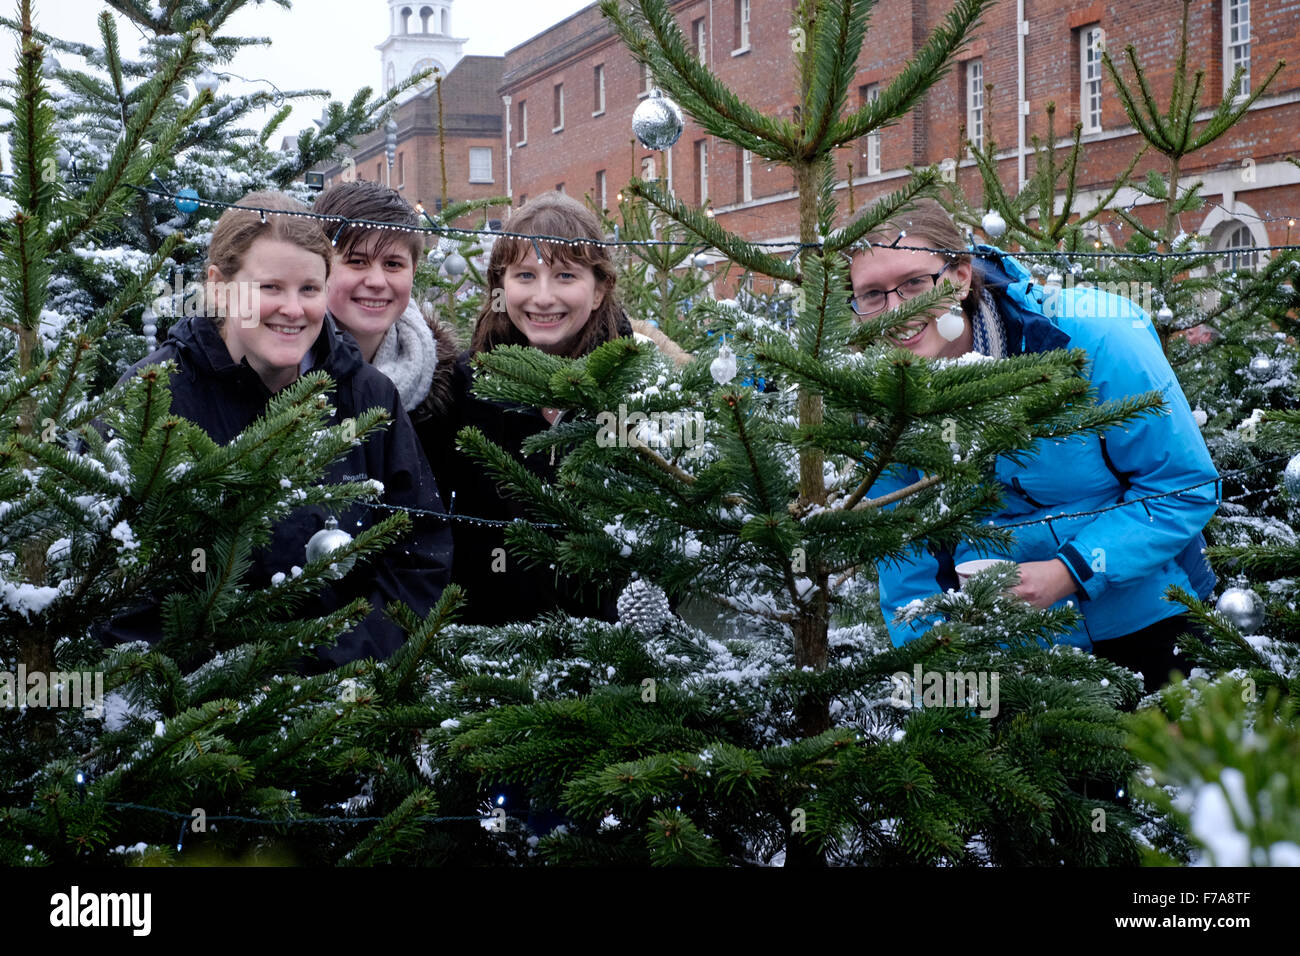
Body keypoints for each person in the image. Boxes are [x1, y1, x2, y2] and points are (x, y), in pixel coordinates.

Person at [853, 199, 1218, 688]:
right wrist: (945, 682)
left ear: (960, 275)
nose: (899, 311)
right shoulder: (884, 405)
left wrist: (1071, 571)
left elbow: (1184, 485)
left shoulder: (1094, 338)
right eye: (873, 294)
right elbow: (906, 566)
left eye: (916, 283)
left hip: (1150, 618)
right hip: (1008, 652)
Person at [112, 191, 452, 667]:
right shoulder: (156, 394)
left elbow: (420, 550)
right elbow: (117, 575)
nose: (293, 310)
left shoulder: (366, 395)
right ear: (218, 286)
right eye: (270, 287)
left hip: (343, 707)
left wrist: (339, 665)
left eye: (309, 290)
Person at [418, 191, 633, 625]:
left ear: (599, 289)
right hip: (483, 658)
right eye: (525, 276)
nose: (543, 297)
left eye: (566, 276)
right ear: (500, 285)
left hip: (610, 663)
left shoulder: (638, 393)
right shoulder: (461, 390)